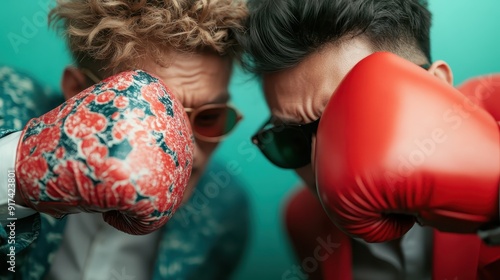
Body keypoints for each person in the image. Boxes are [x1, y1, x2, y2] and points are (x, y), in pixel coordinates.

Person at [237, 0, 500, 279]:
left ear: (437, 86)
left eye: (348, 118)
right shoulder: (303, 220)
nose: (319, 164)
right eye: (290, 140)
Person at [0, 0, 250, 279]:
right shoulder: (7, 104)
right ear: (78, 91)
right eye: (154, 116)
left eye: (209, 117)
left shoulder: (223, 211)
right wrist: (21, 170)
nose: (188, 152)